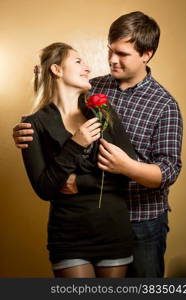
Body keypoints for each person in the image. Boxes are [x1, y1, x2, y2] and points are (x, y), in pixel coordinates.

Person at [13, 11, 183, 277]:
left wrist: (126, 167)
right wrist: (26, 132)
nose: (112, 60)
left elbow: (169, 171)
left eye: (123, 54)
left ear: (146, 54)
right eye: (110, 51)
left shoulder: (165, 105)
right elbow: (56, 116)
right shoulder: (92, 88)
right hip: (84, 221)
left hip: (143, 221)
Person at [18, 42, 137, 278]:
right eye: (78, 61)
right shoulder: (33, 125)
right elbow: (45, 188)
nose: (88, 67)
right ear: (56, 70)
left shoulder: (104, 112)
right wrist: (76, 144)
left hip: (113, 231)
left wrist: (79, 183)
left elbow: (127, 173)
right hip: (68, 237)